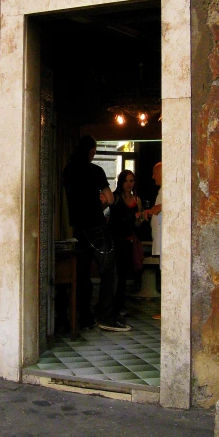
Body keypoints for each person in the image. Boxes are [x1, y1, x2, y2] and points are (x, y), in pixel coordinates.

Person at [63, 135, 131, 332]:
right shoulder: (95, 171)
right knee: (110, 272)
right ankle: (106, 316)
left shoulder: (68, 171)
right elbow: (110, 198)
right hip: (96, 228)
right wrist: (100, 201)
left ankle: (83, 317)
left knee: (82, 274)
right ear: (91, 151)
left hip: (78, 229)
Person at [109, 170, 143, 316]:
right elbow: (113, 219)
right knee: (114, 274)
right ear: (121, 182)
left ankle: (120, 305)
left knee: (123, 274)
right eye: (126, 181)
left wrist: (138, 219)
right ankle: (112, 306)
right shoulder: (115, 197)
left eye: (132, 181)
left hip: (129, 240)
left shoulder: (137, 200)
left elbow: (138, 225)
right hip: (116, 240)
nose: (129, 184)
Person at [145, 161, 162, 318]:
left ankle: (166, 309)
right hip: (160, 238)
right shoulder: (161, 190)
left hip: (165, 240)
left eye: (155, 173)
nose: (153, 177)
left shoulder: (168, 190)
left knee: (166, 272)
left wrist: (156, 209)